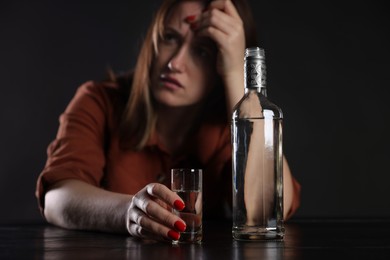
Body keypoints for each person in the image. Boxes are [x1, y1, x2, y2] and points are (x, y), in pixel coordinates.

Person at [36, 0, 301, 242]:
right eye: (169, 38)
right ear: (151, 40)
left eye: (203, 52)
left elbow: (270, 209)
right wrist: (130, 212)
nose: (175, 63)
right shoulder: (99, 101)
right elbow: (57, 199)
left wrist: (235, 73)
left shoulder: (227, 124)